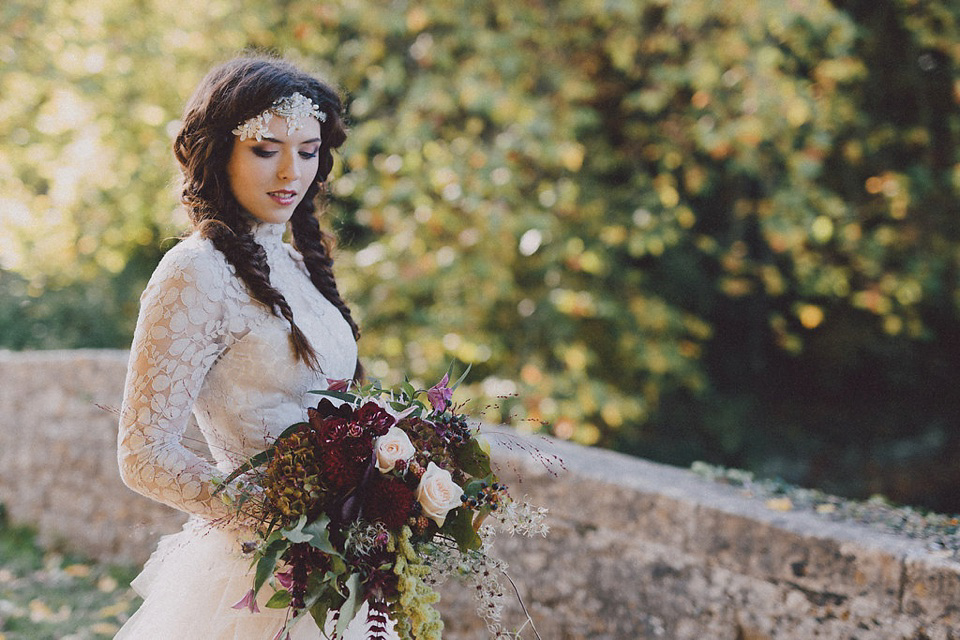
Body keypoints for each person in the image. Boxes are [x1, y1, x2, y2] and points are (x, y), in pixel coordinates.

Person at [115, 55, 397, 639]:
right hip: (254, 573)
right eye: (266, 150)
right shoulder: (194, 272)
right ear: (220, 152)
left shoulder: (297, 265)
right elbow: (143, 455)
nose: (290, 172)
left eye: (309, 150)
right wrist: (284, 516)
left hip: (338, 567)